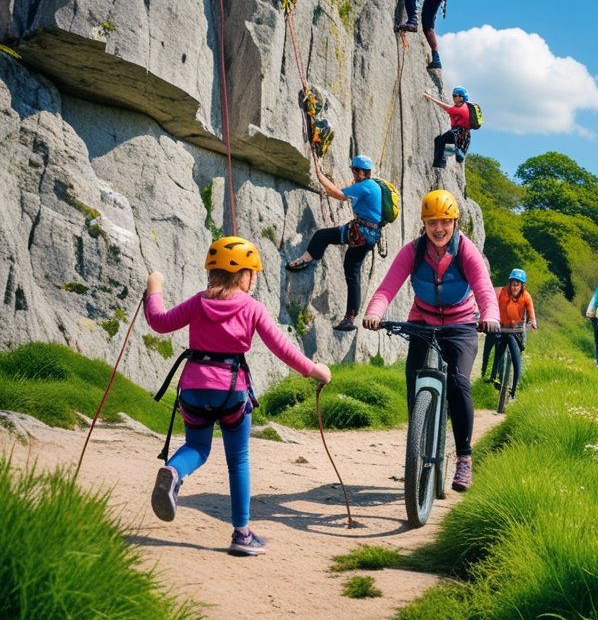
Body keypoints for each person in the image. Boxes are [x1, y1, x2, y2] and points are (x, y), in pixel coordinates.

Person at [146, 236, 332, 556]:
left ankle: (173, 472)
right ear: (245, 275)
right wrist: (315, 370)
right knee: (238, 460)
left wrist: (154, 287)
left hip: (193, 387)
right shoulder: (251, 306)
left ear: (212, 273)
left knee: (196, 447)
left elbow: (159, 322)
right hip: (231, 390)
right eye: (253, 273)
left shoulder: (198, 301)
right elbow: (282, 349)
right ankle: (241, 535)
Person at [362, 190, 499, 491]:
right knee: (413, 376)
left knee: (460, 381)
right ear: (423, 223)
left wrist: (490, 315)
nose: (439, 229)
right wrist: (374, 312)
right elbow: (388, 287)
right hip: (422, 320)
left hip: (461, 322)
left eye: (445, 222)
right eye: (432, 222)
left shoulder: (466, 251)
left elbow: (485, 290)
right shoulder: (413, 251)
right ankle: (417, 444)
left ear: (454, 222)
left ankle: (464, 458)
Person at [285, 154, 382, 332]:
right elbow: (341, 191)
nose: (353, 174)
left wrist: (320, 175)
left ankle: (305, 260)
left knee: (323, 236)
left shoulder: (364, 187)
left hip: (361, 232)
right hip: (369, 234)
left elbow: (338, 194)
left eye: (354, 171)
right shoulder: (372, 185)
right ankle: (350, 318)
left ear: (361, 172)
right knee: (352, 269)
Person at [483, 268, 538, 398]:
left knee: (516, 358)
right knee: (498, 354)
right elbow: (494, 306)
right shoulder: (503, 292)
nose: (514, 287)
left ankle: (513, 391)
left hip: (517, 332)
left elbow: (531, 312)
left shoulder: (526, 296)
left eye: (517, 284)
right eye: (513, 283)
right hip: (502, 329)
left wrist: (532, 321)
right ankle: (492, 379)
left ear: (522, 285)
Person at [423, 87, 474, 166]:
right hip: (466, 137)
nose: (453, 98)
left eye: (454, 96)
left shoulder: (460, 109)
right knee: (459, 156)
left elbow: (446, 108)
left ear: (461, 97)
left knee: (439, 140)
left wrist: (430, 97)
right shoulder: (467, 108)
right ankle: (457, 151)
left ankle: (440, 163)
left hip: (457, 132)